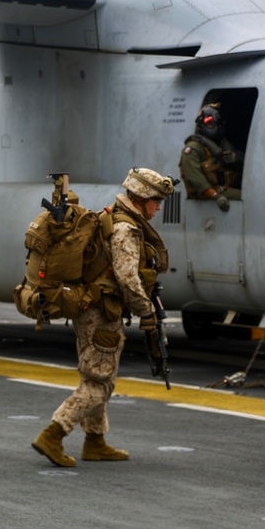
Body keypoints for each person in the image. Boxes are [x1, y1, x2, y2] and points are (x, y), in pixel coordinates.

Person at [32, 167, 175, 467]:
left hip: (93, 311)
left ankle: (95, 442)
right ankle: (53, 434)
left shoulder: (112, 217)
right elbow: (127, 278)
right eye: (155, 201)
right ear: (141, 197)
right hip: (101, 313)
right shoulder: (126, 228)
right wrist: (146, 310)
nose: (158, 207)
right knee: (100, 383)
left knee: (97, 376)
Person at [179, 103, 243, 212]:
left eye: (216, 123)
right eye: (209, 123)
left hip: (223, 188)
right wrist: (216, 196)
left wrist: (235, 158)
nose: (214, 126)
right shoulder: (193, 148)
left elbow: (242, 159)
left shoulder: (221, 144)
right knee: (245, 197)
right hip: (208, 193)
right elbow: (194, 177)